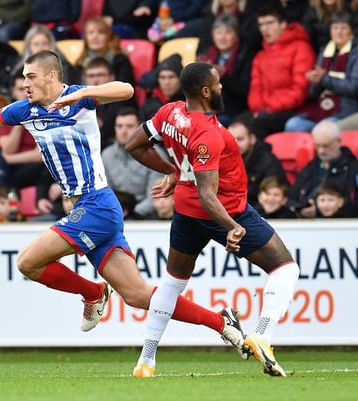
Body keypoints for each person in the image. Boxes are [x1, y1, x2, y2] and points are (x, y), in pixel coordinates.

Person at [0, 51, 246, 362]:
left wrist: (83, 92)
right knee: (137, 295)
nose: (24, 83)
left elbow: (126, 89)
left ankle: (94, 292)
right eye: (23, 77)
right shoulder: (25, 111)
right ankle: (221, 322)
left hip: (96, 204)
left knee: (28, 262)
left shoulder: (79, 99)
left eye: (30, 77)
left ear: (52, 76)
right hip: (88, 208)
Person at [125, 61, 300, 377]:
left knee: (172, 283)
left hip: (185, 211)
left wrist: (172, 171)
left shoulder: (169, 113)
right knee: (285, 268)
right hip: (225, 210)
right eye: (218, 84)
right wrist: (232, 226)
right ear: (206, 91)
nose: (222, 88)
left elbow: (133, 144)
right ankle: (263, 335)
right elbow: (209, 194)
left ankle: (146, 362)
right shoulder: (209, 134)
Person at [248, 4, 316, 140]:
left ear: (283, 24)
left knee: (257, 125)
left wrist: (269, 108)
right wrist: (259, 109)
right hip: (265, 111)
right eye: (261, 25)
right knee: (238, 125)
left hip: (296, 110)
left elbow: (299, 91)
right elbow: (255, 89)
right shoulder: (260, 55)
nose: (265, 29)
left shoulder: (301, 48)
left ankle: (266, 160)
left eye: (270, 23)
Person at [284, 11, 358, 132]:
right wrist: (316, 81)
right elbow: (313, 94)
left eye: (344, 28)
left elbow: (354, 87)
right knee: (293, 125)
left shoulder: (355, 53)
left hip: (346, 111)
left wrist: (324, 79)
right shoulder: (325, 51)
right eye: (335, 27)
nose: (339, 32)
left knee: (323, 129)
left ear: (352, 31)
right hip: (321, 107)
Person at [101, 107, 165, 219]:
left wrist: (132, 214)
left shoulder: (156, 155)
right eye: (119, 126)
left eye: (129, 126)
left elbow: (156, 196)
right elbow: (105, 192)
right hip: (115, 213)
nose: (123, 131)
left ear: (140, 128)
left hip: (147, 215)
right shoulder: (106, 155)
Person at [287, 120, 358, 217]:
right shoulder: (310, 167)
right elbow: (292, 196)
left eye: (325, 146)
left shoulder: (353, 169)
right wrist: (298, 208)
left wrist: (320, 211)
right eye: (317, 145)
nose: (321, 151)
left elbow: (354, 204)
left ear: (338, 141)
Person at [195, 13, 254, 126]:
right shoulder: (207, 56)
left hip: (233, 111)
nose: (222, 37)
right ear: (213, 36)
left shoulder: (245, 56)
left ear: (236, 36)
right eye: (219, 32)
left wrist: (223, 76)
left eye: (228, 33)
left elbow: (246, 92)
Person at [228, 116, 286, 206]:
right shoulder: (223, 161)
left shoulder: (268, 161)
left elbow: (273, 195)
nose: (235, 144)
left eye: (240, 139)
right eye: (231, 140)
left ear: (252, 139)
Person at [84, 57, 137, 148]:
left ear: (112, 77)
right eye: (91, 76)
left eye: (100, 75)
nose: (95, 80)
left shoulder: (122, 102)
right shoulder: (80, 102)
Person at [139, 53, 184, 122]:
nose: (166, 82)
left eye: (171, 77)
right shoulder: (149, 105)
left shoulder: (189, 104)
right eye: (162, 77)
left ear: (180, 79)